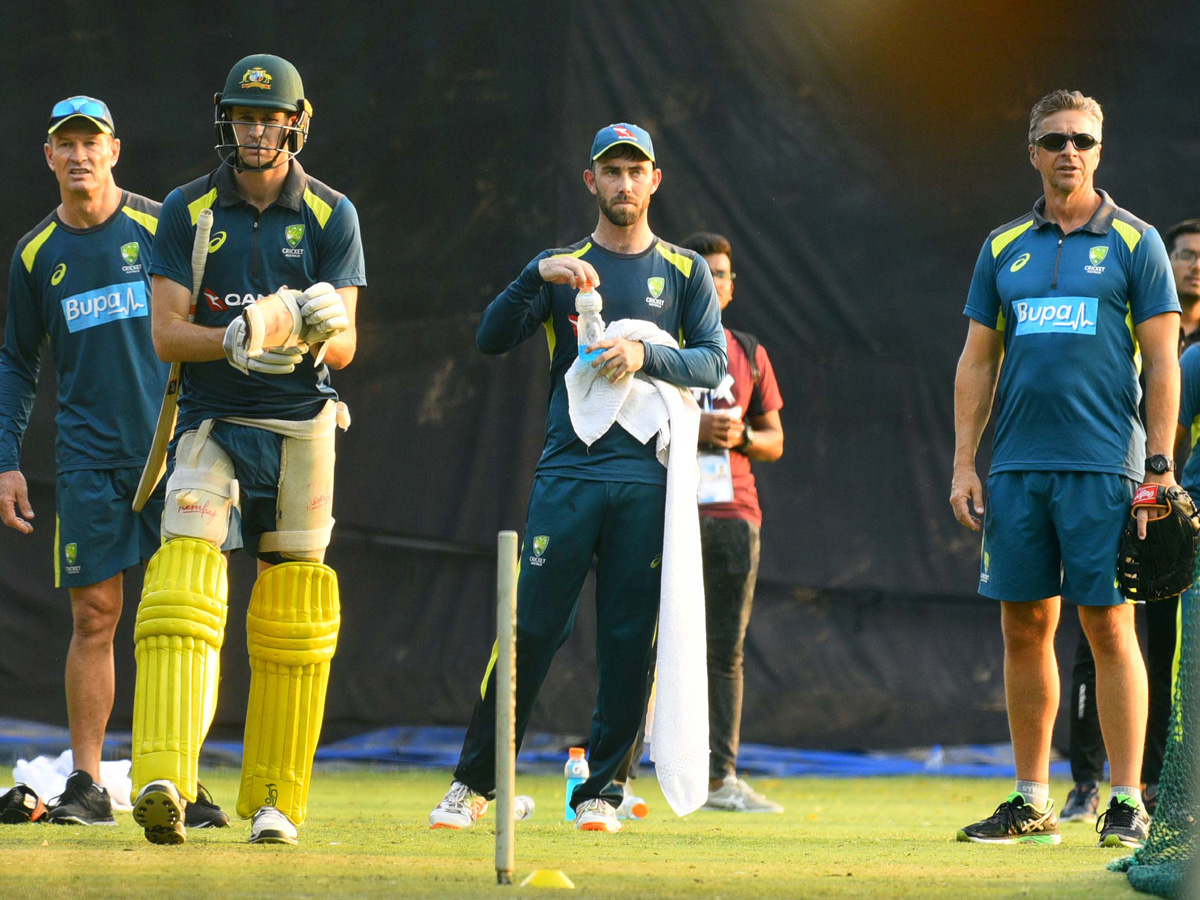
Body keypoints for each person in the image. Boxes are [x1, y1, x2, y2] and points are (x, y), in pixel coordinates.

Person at [428, 123, 726, 834]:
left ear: (656, 181)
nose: (624, 184)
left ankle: (600, 791)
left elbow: (712, 363)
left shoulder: (683, 271)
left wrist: (642, 354)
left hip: (645, 478)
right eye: (611, 171)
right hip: (569, 470)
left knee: (629, 637)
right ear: (589, 181)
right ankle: (474, 785)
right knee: (529, 628)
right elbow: (491, 338)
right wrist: (534, 275)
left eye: (636, 171)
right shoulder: (564, 266)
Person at [128, 54, 364, 846]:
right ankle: (164, 773)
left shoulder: (333, 215)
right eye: (243, 116)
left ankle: (274, 800)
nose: (256, 130)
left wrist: (325, 328)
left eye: (270, 118)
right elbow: (165, 333)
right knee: (182, 579)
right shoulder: (187, 210)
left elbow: (347, 348)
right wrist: (231, 339)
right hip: (212, 421)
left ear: (296, 123)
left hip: (302, 430)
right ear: (225, 120)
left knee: (295, 610)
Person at [950, 89, 1179, 849]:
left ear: (1100, 150)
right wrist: (964, 463)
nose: (1068, 151)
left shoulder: (1138, 243)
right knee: (1024, 627)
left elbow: (1163, 360)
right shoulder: (1002, 245)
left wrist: (1158, 468)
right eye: (1054, 140)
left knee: (1110, 627)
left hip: (1103, 469)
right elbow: (978, 360)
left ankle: (1125, 801)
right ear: (1033, 151)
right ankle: (1031, 799)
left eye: (1082, 139)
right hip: (1016, 466)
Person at [0, 96, 226, 829]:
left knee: (180, 622)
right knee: (96, 616)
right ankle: (89, 784)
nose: (79, 156)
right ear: (49, 157)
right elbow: (16, 363)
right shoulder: (37, 256)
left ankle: (180, 781)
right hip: (90, 463)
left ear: (114, 150)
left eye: (90, 142)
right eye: (65, 143)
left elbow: (211, 323)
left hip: (177, 455)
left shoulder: (161, 226)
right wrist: (5, 460)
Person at [1059, 217, 1200, 824]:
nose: (1194, 265)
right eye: (1185, 255)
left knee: (1170, 651)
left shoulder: (1189, 350)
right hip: (1125, 490)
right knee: (1101, 634)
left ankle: (1154, 786)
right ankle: (1088, 783)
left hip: (1176, 512)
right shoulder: (1136, 316)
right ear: (1164, 261)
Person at [678, 232, 785, 813]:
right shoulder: (660, 344)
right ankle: (617, 782)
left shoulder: (748, 350)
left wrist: (739, 435)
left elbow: (775, 440)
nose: (714, 282)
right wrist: (693, 431)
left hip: (734, 516)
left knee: (725, 651)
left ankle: (720, 779)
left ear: (731, 286)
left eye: (722, 274)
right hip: (668, 513)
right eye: (703, 272)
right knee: (646, 644)